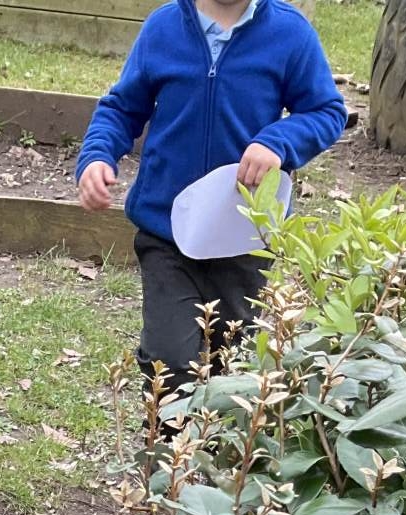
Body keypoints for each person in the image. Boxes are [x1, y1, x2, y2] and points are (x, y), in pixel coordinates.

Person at [76, 0, 346, 397]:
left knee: (235, 368)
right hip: (167, 233)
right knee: (168, 362)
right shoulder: (164, 28)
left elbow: (326, 110)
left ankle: (223, 435)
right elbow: (121, 108)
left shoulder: (290, 33)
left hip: (246, 238)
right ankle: (168, 436)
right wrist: (98, 155)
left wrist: (278, 142)